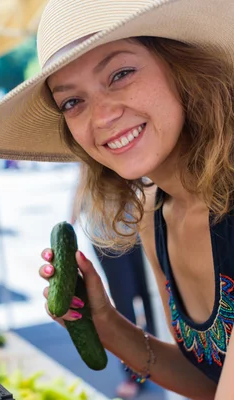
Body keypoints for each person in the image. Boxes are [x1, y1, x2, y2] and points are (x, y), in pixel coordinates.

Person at [0, 0, 234, 398]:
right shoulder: (154, 212)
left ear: (183, 69)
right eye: (72, 102)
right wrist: (107, 324)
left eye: (120, 74)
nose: (101, 116)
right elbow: (212, 384)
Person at [71, 163, 156, 399]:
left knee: (152, 299)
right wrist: (70, 224)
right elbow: (81, 187)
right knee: (124, 301)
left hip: (140, 234)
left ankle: (161, 361)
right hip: (108, 241)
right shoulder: (90, 163)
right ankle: (133, 373)